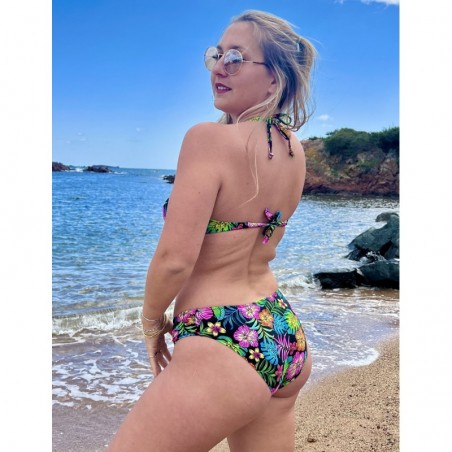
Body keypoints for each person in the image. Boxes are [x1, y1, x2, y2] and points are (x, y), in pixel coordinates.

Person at [109, 9, 316, 452]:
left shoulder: (206, 140)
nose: (220, 67)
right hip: (281, 331)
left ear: (274, 79)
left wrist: (151, 323)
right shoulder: (293, 149)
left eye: (236, 58)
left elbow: (175, 259)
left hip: (223, 335)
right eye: (217, 55)